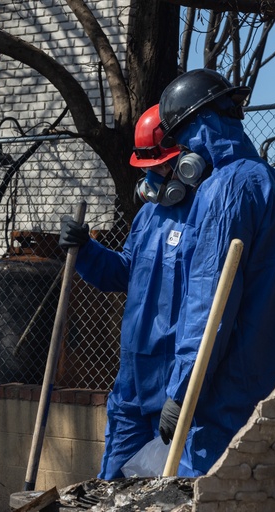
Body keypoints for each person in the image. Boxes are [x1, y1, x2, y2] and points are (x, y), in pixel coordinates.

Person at [154, 69, 275, 477]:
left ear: (199, 127)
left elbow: (209, 307)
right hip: (273, 393)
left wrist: (180, 392)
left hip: (225, 403)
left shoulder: (227, 188)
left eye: (183, 140)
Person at [59, 104, 198, 480]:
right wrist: (86, 249)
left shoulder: (206, 215)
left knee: (169, 494)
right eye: (148, 168)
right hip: (133, 382)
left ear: (188, 160)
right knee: (111, 483)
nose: (154, 176)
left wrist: (183, 389)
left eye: (163, 165)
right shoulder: (148, 216)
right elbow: (125, 273)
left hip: (173, 380)